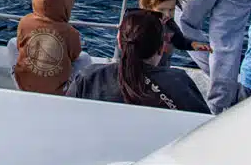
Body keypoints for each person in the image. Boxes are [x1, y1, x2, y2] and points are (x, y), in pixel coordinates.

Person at [66, 9, 211, 112]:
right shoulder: (180, 83)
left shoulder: (88, 77)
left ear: (120, 42)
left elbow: (66, 115)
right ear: (161, 49)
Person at [13, 0, 83, 94]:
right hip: (58, 91)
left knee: (12, 42)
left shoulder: (25, 22)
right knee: (84, 58)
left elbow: (19, 45)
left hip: (24, 86)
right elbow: (75, 56)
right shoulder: (71, 32)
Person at [138, 0, 211, 63]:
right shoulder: (137, 26)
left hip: (162, 69)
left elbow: (179, 40)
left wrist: (193, 45)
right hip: (138, 69)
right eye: (161, 10)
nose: (167, 14)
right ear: (148, 7)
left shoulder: (169, 24)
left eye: (171, 9)